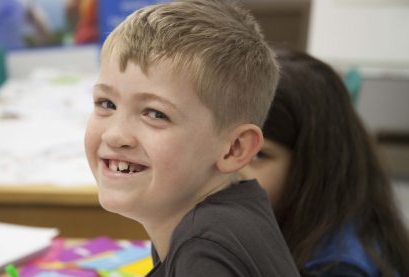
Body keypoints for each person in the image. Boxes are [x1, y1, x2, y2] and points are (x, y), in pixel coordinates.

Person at [84, 1, 299, 276]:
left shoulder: (205, 254)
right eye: (106, 104)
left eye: (156, 114)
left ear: (234, 148)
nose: (115, 135)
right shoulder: (214, 216)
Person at [241, 47, 409, 276]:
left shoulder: (338, 268)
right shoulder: (290, 227)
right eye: (230, 149)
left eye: (259, 155)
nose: (231, 170)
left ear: (314, 166)